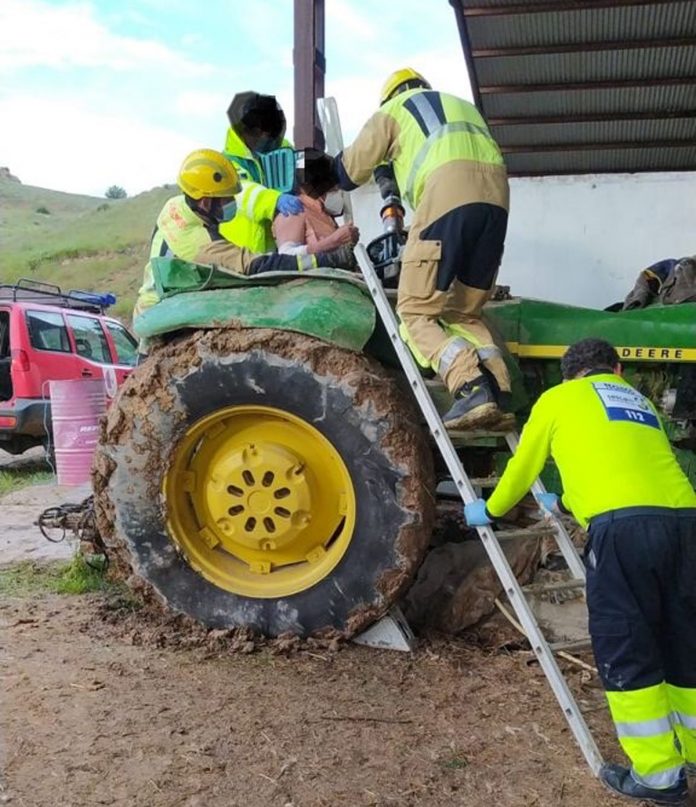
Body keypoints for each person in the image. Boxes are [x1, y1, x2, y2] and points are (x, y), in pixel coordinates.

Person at [464, 337, 696, 806]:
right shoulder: (639, 402)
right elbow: (624, 467)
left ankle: (658, 776)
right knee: (683, 641)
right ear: (616, 370)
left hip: (623, 532)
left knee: (627, 645)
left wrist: (488, 508)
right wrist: (565, 502)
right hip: (686, 524)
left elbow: (521, 468)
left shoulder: (559, 398)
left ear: (570, 373)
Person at [335, 67, 510, 429]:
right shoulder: (462, 108)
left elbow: (350, 172)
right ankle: (498, 393)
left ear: (391, 94)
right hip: (495, 204)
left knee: (415, 312)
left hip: (447, 199)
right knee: (464, 313)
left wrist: (329, 167)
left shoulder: (395, 109)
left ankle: (468, 387)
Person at [134, 149, 333, 320]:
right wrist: (324, 260)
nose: (232, 202)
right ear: (205, 202)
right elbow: (257, 266)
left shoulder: (175, 205)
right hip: (161, 312)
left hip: (156, 303)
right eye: (226, 198)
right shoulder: (202, 244)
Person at [221, 92, 302, 252]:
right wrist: (275, 200)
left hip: (273, 248)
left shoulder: (282, 149)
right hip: (243, 250)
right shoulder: (227, 164)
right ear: (247, 132)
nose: (267, 138)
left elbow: (300, 164)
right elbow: (242, 192)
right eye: (262, 134)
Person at [272, 148, 359, 266]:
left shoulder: (322, 212)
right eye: (330, 185)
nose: (336, 189)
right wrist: (333, 241)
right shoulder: (293, 211)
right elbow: (286, 258)